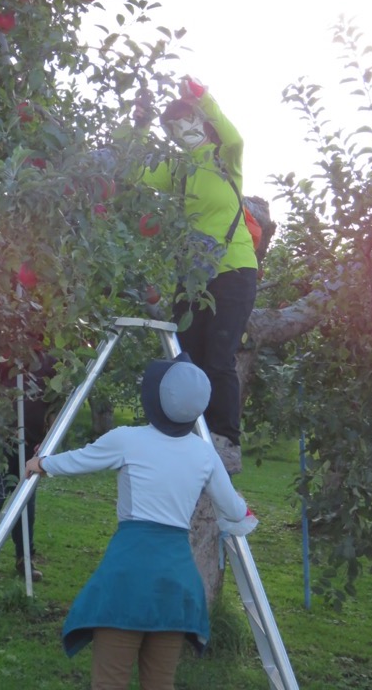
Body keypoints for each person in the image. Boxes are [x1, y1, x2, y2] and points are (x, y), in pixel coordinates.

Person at [26, 352, 257, 690]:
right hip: (175, 582)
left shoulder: (127, 439)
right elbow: (235, 512)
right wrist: (245, 513)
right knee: (161, 684)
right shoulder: (205, 452)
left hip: (128, 576)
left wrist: (41, 464)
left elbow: (78, 461)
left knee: (110, 682)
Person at [137, 78, 258, 474]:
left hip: (234, 267)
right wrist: (135, 125)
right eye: (172, 127)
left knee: (219, 356)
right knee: (185, 356)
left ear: (200, 123)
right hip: (193, 275)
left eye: (186, 121)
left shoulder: (225, 157)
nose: (180, 131)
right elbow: (135, 170)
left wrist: (201, 98)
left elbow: (232, 134)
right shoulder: (177, 169)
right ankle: (186, 431)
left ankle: (225, 440)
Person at [0, 354, 57, 581]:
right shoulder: (4, 354)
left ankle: (25, 559)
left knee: (25, 504)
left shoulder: (49, 362)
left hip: (31, 446)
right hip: (0, 443)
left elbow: (55, 403)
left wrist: (48, 437)